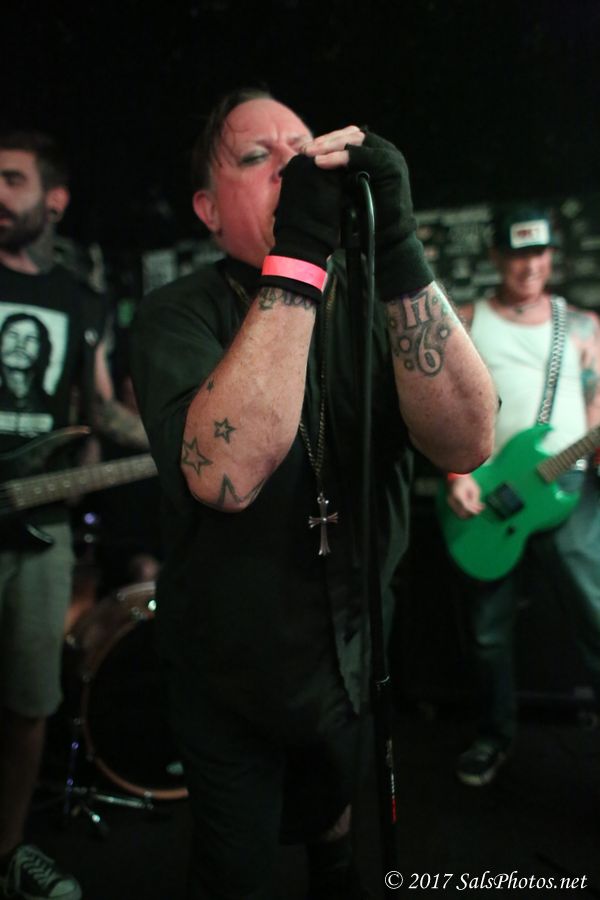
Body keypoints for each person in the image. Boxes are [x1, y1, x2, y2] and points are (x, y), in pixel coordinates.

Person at [130, 87, 497, 900]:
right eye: (255, 157)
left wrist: (397, 247)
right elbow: (224, 477)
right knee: (237, 872)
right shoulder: (173, 315)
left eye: (301, 150)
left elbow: (468, 441)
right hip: (230, 675)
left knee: (337, 836)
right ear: (208, 209)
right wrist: (298, 254)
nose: (291, 168)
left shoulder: (373, 301)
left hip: (353, 657)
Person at [0, 131, 149, 900]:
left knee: (29, 702)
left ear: (53, 200)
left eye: (11, 180)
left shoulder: (82, 302)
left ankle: (7, 853)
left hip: (42, 526)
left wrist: (175, 436)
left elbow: (101, 410)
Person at [445, 206, 600, 788]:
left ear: (552, 255)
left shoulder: (580, 325)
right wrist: (455, 472)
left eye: (539, 254)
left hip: (569, 489)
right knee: (487, 634)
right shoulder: (466, 320)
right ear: (496, 257)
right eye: (517, 255)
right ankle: (494, 736)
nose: (530, 266)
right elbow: (443, 407)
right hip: (491, 496)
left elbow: (596, 404)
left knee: (597, 616)